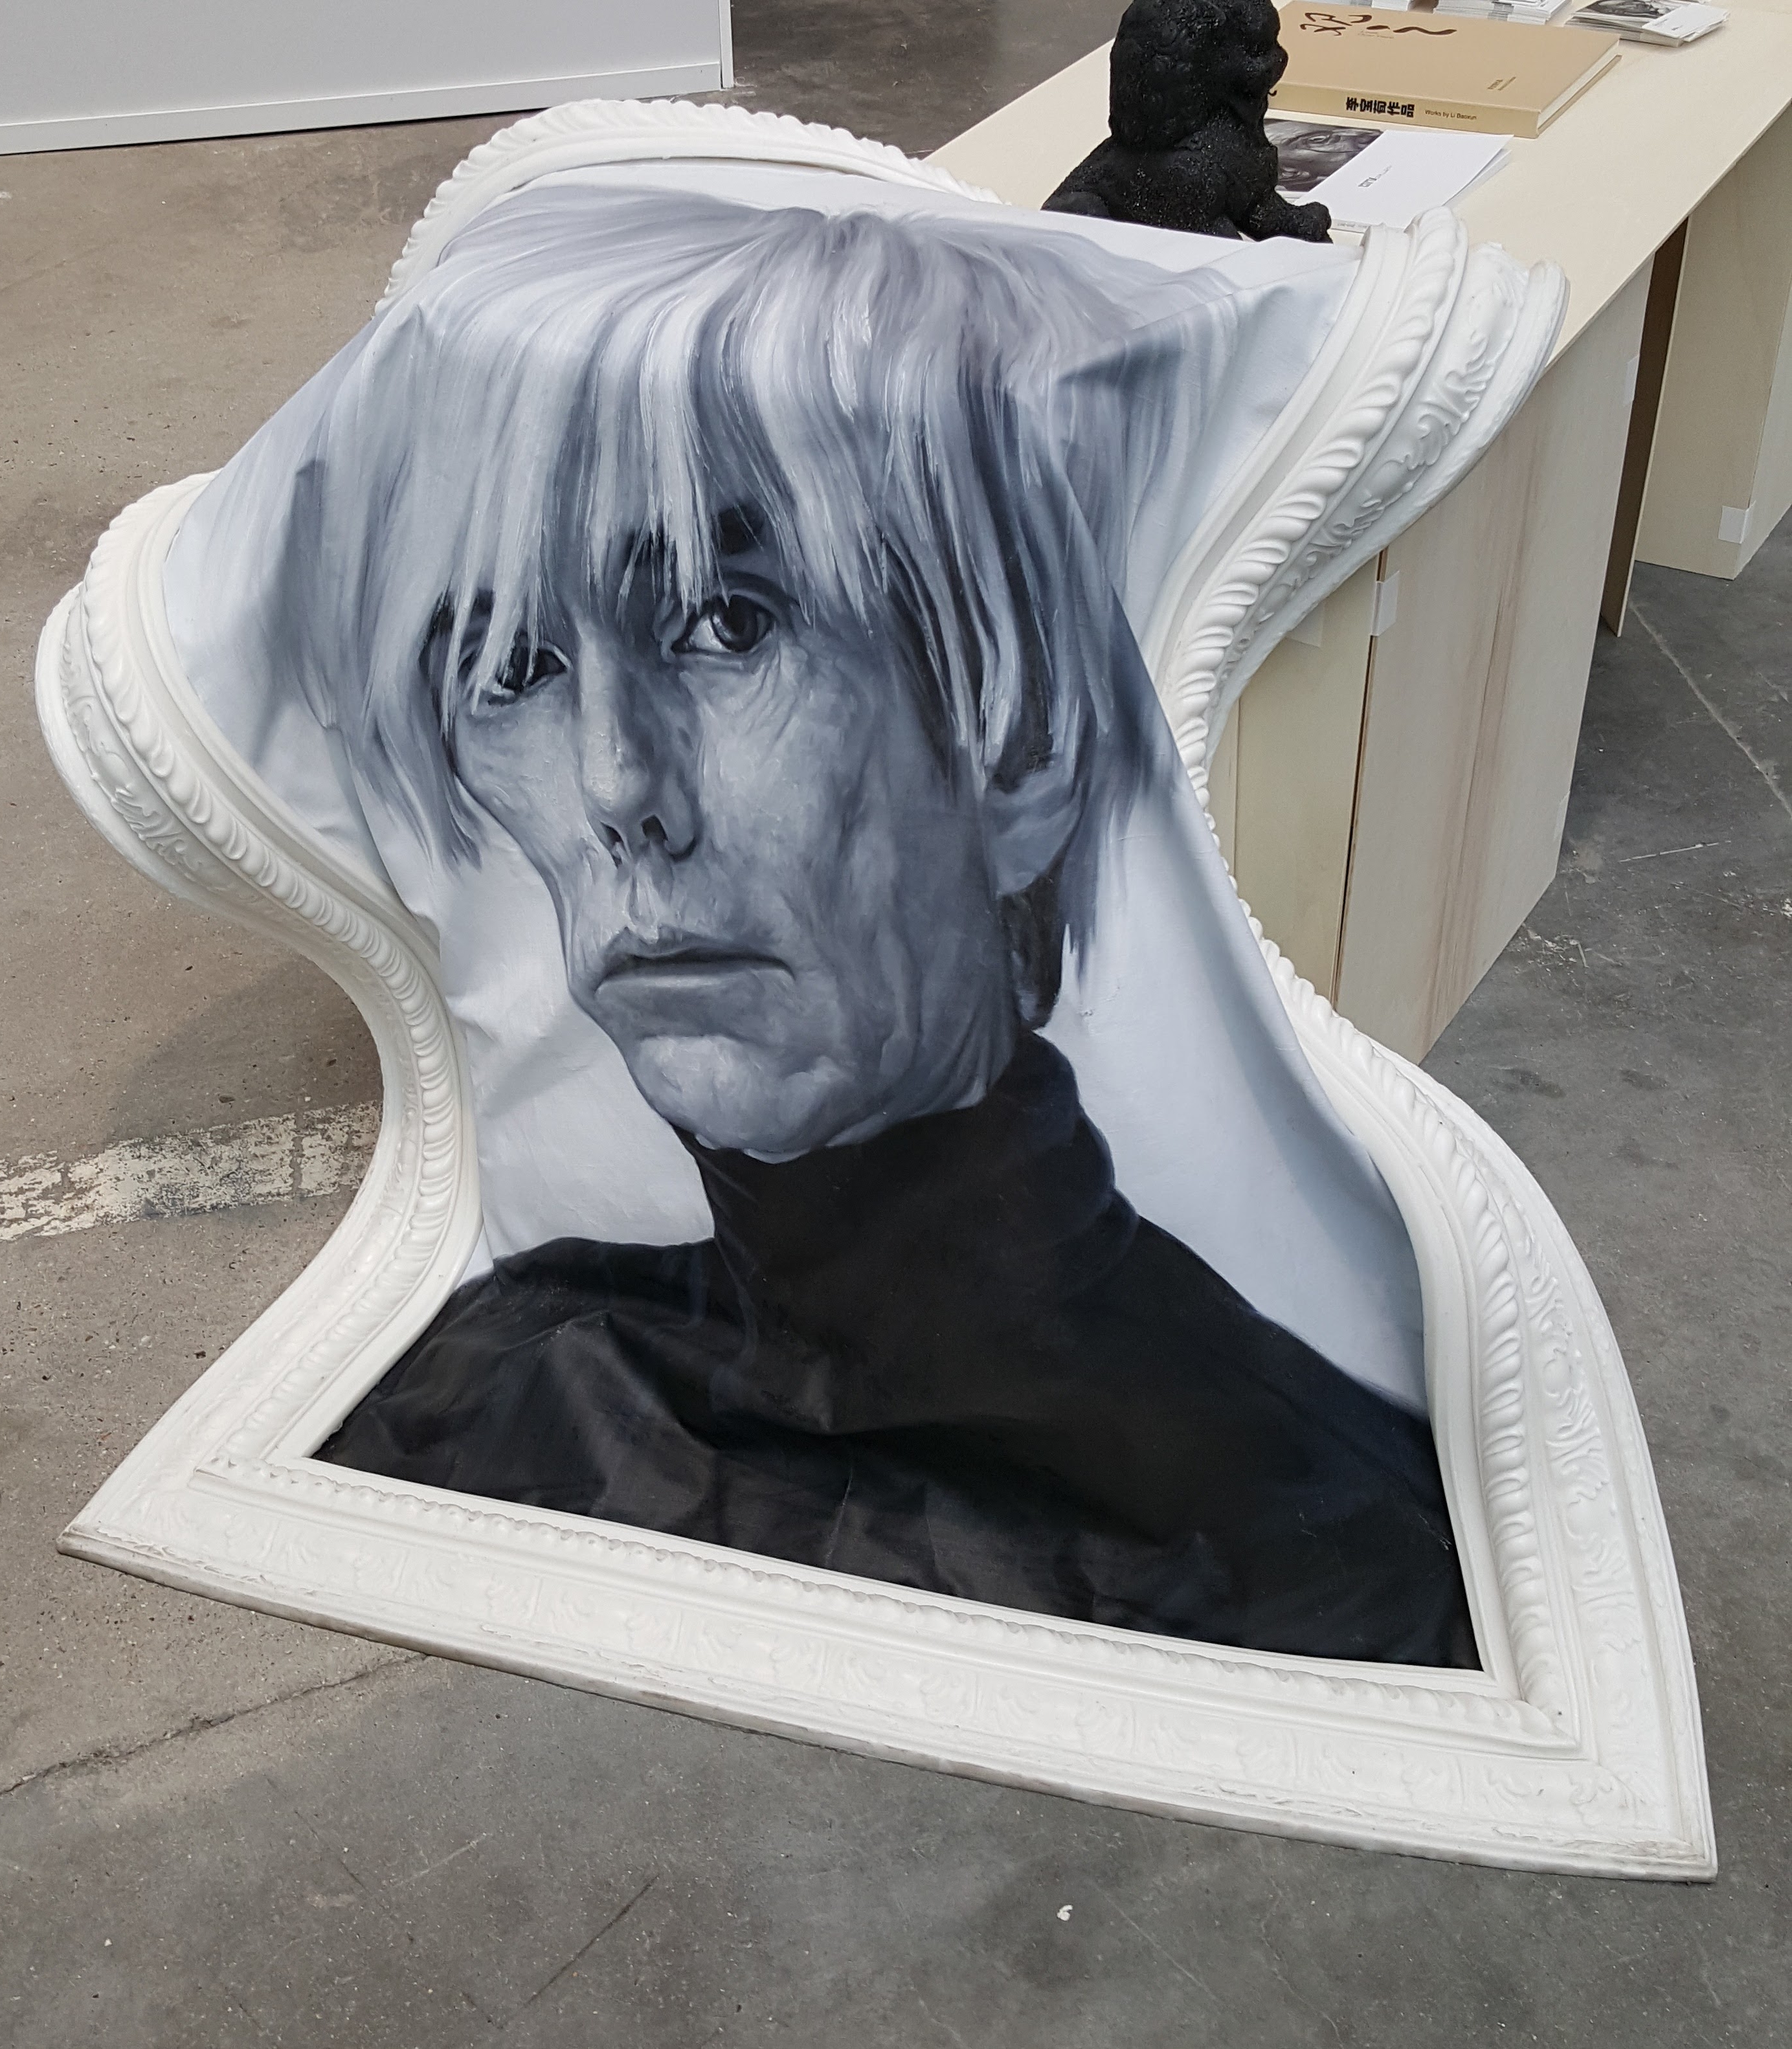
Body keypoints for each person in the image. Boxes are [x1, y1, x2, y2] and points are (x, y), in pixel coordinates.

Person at [243, 183, 1473, 1665]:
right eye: (516, 666)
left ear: (1019, 747)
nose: (619, 788)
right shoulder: (495, 1369)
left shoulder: (1311, 1552)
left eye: (731, 621)